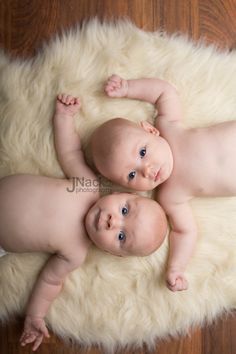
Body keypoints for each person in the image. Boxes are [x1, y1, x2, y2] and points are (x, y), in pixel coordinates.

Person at [0, 94, 168, 351]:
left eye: (121, 237)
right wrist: (64, 118)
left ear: (112, 252)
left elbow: (50, 282)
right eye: (124, 210)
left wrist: (35, 316)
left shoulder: (74, 253)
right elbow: (70, 152)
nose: (114, 222)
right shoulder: (87, 186)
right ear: (120, 193)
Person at [91, 74, 236, 293]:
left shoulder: (168, 128)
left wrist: (128, 88)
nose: (146, 169)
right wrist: (176, 267)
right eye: (132, 175)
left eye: (142, 152)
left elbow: (164, 92)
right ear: (129, 189)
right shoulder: (169, 197)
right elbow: (184, 231)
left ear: (150, 130)